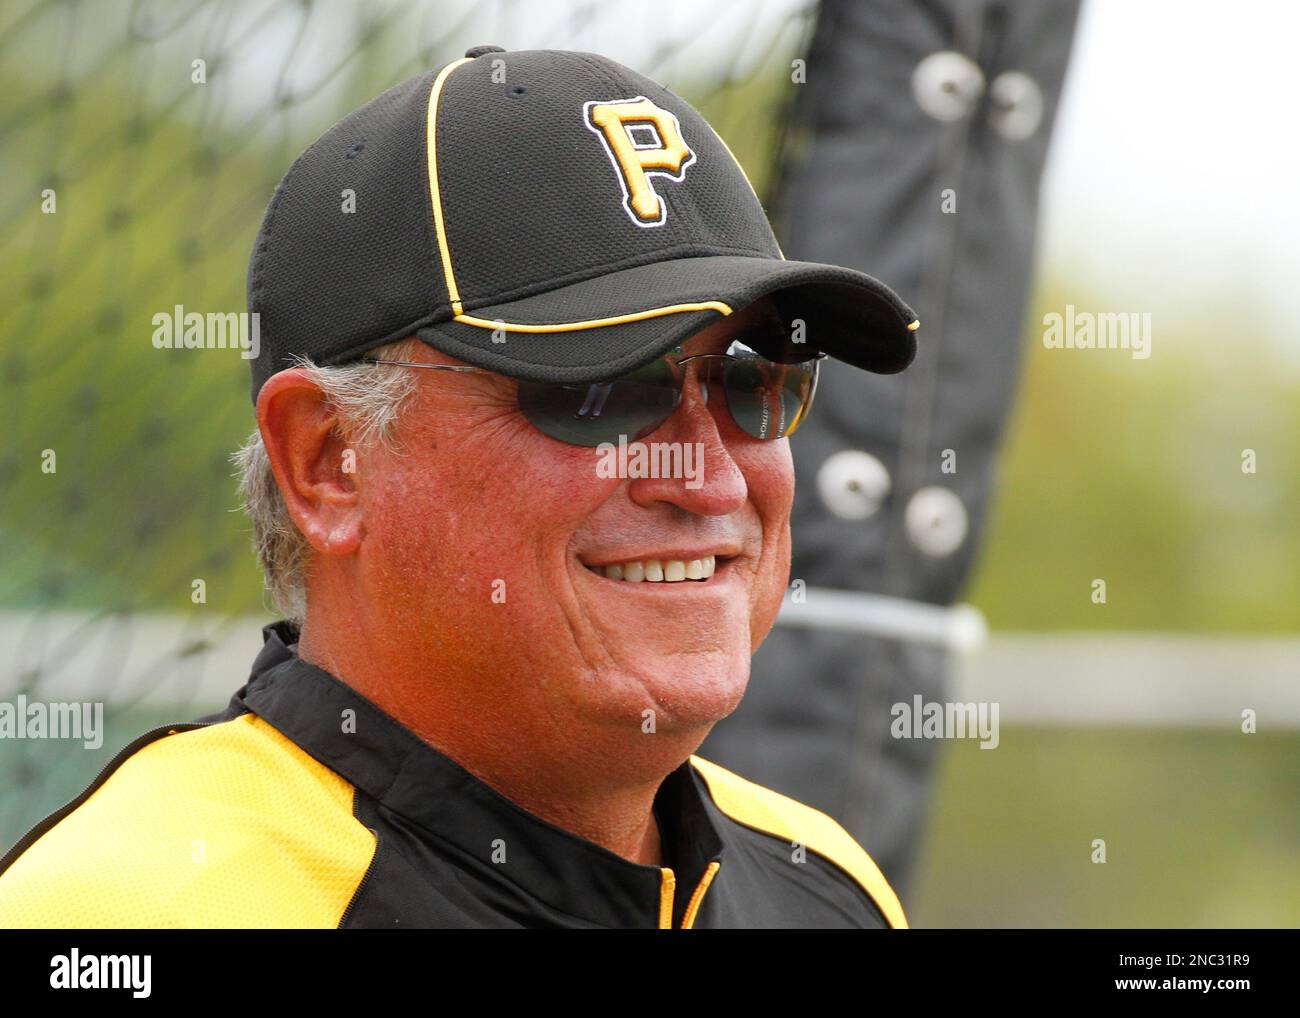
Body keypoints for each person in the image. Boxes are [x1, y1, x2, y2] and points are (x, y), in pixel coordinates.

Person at [0, 45, 918, 929]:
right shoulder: (129, 914)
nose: (706, 477)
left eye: (752, 380)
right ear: (328, 462)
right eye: (596, 391)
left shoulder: (825, 888)